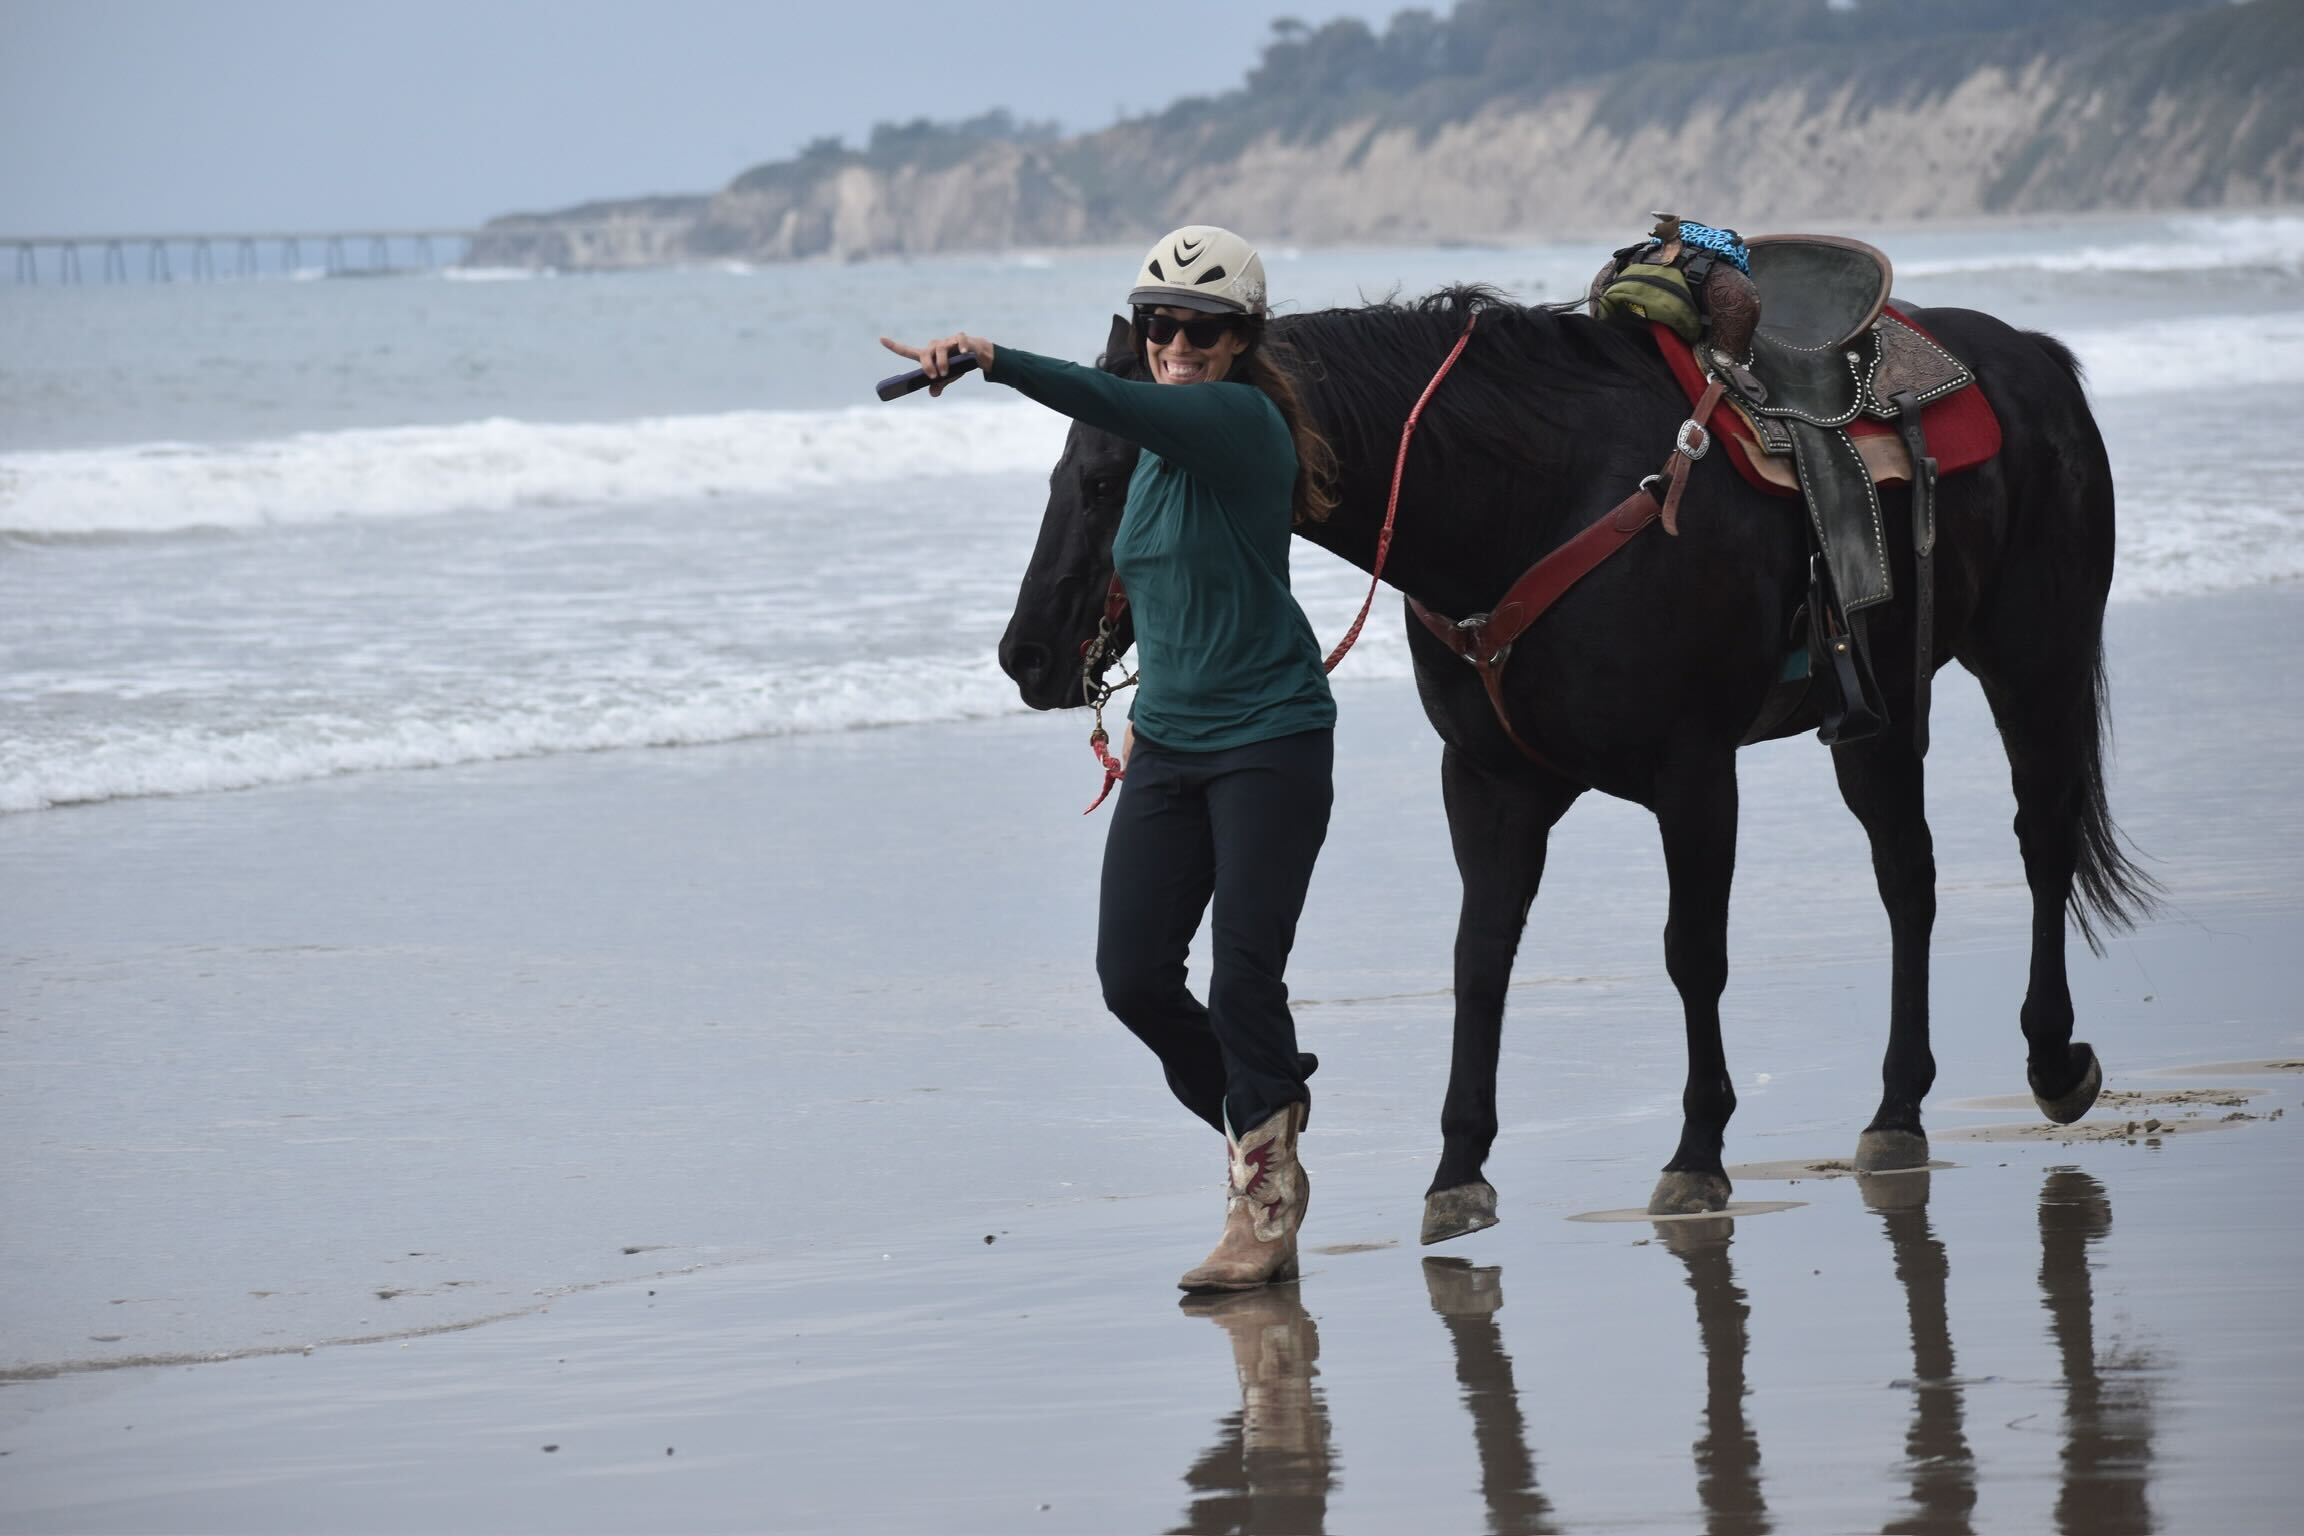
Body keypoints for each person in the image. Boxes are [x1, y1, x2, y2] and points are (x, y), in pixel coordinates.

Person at [880, 225, 1339, 1292]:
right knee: (1131, 978)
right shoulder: (1155, 462)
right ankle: (1263, 1121)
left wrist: (997, 359)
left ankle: (1261, 1199)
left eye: (1200, 328)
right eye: (1157, 325)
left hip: (1271, 740)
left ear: (1240, 341)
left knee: (1243, 979)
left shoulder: (1239, 421)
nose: (1176, 343)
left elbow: (1120, 404)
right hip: (1172, 745)